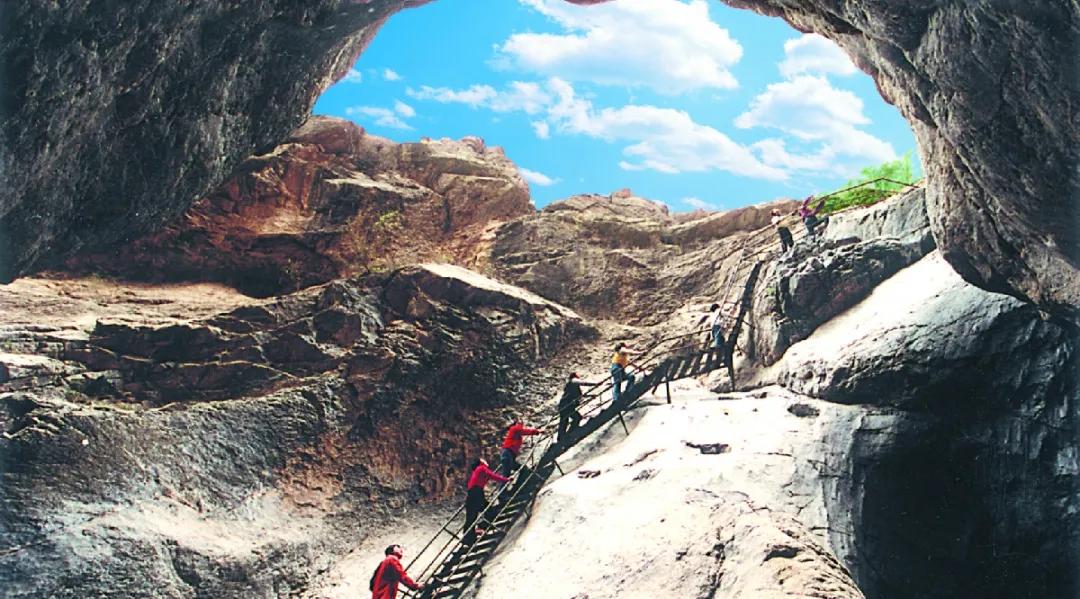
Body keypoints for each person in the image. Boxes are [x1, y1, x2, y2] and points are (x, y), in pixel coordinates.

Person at [463, 458, 509, 545]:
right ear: (481, 462)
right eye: (483, 460)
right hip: (477, 492)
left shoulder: (476, 471)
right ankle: (481, 526)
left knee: (471, 517)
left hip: (471, 494)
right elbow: (492, 476)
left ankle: (468, 538)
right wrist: (507, 479)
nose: (485, 460)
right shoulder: (481, 468)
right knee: (489, 510)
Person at [558, 372, 598, 442]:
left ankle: (563, 436)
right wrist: (595, 384)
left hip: (567, 405)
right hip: (566, 404)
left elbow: (580, 396)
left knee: (566, 420)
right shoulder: (573, 380)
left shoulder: (574, 386)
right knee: (573, 418)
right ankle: (568, 434)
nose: (579, 376)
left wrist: (590, 396)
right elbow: (584, 383)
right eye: (578, 374)